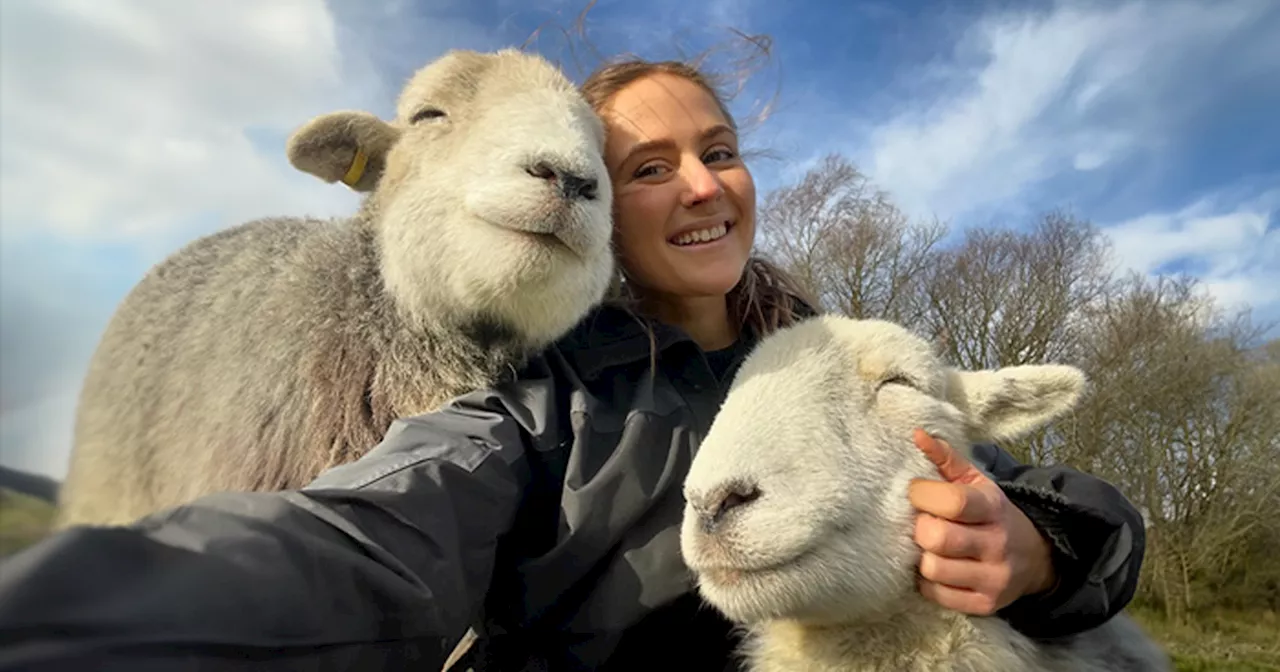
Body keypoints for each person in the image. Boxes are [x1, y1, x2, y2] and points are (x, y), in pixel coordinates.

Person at [0, 54, 1144, 672]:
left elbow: (1038, 492)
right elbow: (368, 538)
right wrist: (95, 616)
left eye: (719, 152)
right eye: (646, 167)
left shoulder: (828, 360)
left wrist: (1042, 549)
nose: (699, 185)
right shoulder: (540, 407)